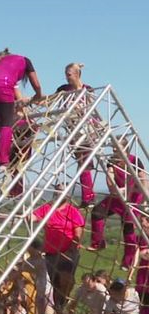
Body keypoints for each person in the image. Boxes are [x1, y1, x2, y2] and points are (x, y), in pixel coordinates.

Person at [88, 138, 147, 268]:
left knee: (128, 228)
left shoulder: (134, 161)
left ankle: (128, 261)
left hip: (133, 197)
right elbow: (110, 179)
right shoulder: (112, 161)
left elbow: (143, 179)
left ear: (125, 149)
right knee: (97, 213)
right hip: (117, 196)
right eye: (113, 147)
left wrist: (144, 200)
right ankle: (98, 242)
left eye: (116, 148)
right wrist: (114, 189)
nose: (114, 150)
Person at [31, 188, 85, 314]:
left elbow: (78, 232)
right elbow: (33, 217)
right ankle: (55, 313)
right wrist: (24, 216)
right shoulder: (47, 208)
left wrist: (73, 247)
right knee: (53, 283)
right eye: (58, 190)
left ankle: (60, 307)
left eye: (63, 191)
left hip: (68, 252)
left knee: (65, 281)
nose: (60, 193)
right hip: (50, 253)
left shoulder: (73, 211)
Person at [0, 54, 43, 166]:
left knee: (1, 109)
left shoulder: (5, 63)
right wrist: (38, 95)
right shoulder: (26, 61)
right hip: (3, 85)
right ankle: (2, 159)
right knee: (7, 125)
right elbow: (37, 85)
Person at [56, 63, 95, 208]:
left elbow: (91, 108)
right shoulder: (63, 89)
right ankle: (88, 196)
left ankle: (88, 197)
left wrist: (81, 110)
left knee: (85, 164)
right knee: (82, 163)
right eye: (66, 74)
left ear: (77, 74)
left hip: (86, 130)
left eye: (69, 74)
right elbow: (52, 101)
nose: (66, 77)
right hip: (73, 130)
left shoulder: (88, 89)